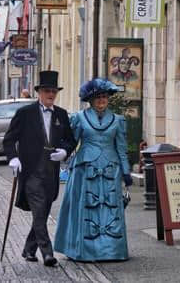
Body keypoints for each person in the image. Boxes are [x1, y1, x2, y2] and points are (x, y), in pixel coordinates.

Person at [3, 71, 77, 267]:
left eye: (53, 91)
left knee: (42, 212)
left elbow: (70, 140)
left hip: (52, 173)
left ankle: (29, 249)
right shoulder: (25, 114)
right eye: (47, 91)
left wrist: (65, 152)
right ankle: (47, 252)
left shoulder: (61, 114)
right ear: (39, 93)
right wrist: (13, 158)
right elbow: (9, 139)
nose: (50, 95)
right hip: (31, 173)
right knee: (38, 211)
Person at [54, 78, 132, 262]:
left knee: (110, 209)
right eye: (98, 97)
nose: (102, 100)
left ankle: (112, 251)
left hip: (110, 169)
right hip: (85, 168)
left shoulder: (117, 120)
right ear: (91, 100)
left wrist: (126, 172)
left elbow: (121, 148)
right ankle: (82, 250)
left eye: (104, 97)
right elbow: (71, 141)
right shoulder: (79, 118)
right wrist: (62, 153)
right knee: (84, 208)